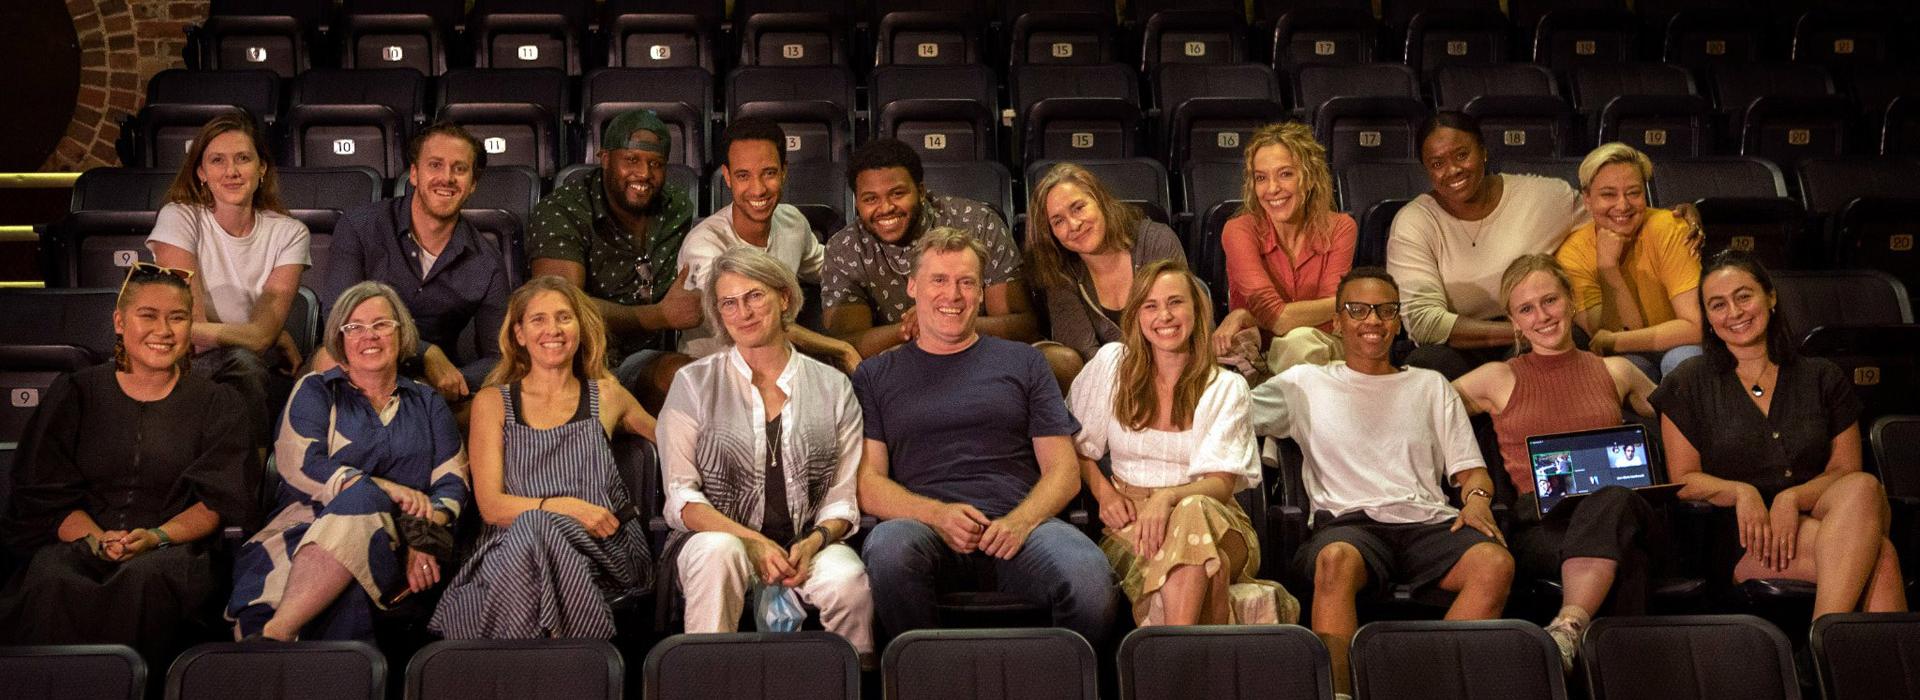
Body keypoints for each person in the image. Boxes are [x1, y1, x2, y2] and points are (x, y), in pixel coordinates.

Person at [1250, 267, 1513, 697]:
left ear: (1398, 320)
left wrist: (1479, 498)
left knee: (1495, 563)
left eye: (1385, 311)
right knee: (1334, 560)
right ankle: (1339, 693)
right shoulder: (1306, 383)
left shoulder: (1431, 386)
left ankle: (1431, 688)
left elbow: (1471, 472)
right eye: (1358, 310)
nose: (1372, 320)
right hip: (1349, 524)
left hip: (1428, 522)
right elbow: (1229, 411)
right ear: (1337, 322)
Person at [855, 227, 1117, 647]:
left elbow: (1064, 472)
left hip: (1021, 528)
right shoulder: (875, 375)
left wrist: (1020, 522)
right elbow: (869, 485)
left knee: (1088, 578)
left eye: (966, 282)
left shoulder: (1025, 362)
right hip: (925, 531)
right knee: (889, 549)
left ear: (980, 292)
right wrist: (938, 515)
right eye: (938, 280)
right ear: (912, 287)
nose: (952, 295)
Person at [0, 263, 255, 657]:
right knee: (51, 579)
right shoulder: (76, 393)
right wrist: (97, 540)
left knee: (145, 580)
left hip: (172, 550)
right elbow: (45, 496)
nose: (164, 331)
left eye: (178, 318)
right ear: (120, 322)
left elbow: (216, 502)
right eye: (148, 316)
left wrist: (156, 537)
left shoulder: (219, 403)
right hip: (81, 541)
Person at [1651, 251, 1907, 618]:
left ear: (1770, 297)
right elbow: (1684, 480)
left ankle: (1823, 646)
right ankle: (1830, 652)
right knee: (1879, 557)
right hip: (1744, 539)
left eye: (1744, 296)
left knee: (1864, 487)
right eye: (1718, 305)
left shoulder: (1821, 376)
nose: (1735, 313)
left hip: (1822, 518)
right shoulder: (1688, 381)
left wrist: (1791, 498)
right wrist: (1742, 491)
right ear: (1707, 318)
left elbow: (1845, 471)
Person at [657, 246, 872, 658]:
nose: (744, 312)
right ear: (719, 315)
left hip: (806, 542)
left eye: (755, 296)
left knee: (847, 578)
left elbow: (841, 500)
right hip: (717, 539)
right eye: (729, 304)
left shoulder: (832, 386)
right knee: (719, 552)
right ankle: (708, 680)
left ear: (784, 298)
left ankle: (854, 679)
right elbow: (681, 497)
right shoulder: (694, 383)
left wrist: (812, 544)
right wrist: (750, 540)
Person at [1449, 255, 1659, 670]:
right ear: (1514, 321)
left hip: (1618, 509)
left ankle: (1567, 630)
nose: (1542, 316)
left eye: (1550, 301)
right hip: (1543, 525)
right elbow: (1420, 410)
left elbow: (1689, 417)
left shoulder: (1617, 371)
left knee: (1613, 501)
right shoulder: (1497, 378)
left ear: (1571, 301)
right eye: (1527, 309)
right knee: (1626, 561)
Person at [229, 282, 471, 641]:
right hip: (301, 532)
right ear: (340, 339)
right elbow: (298, 463)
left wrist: (424, 537)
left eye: (381, 325)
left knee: (365, 502)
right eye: (354, 327)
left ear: (401, 332)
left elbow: (453, 482)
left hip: (397, 542)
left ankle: (276, 635)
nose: (368, 336)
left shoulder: (427, 402)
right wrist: (380, 487)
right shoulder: (316, 390)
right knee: (362, 503)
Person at [1068, 259, 1295, 627]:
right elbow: (1073, 444)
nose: (1165, 316)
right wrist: (1104, 493)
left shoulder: (1225, 386)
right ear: (1137, 315)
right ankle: (1195, 663)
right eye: (1151, 306)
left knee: (1192, 511)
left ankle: (1170, 654)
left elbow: (1221, 484)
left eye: (1175, 302)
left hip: (1219, 521)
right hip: (1133, 525)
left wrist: (1167, 497)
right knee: (1211, 570)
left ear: (1196, 310)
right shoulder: (1112, 366)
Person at [430, 277, 659, 639]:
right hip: (513, 545)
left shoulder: (608, 394)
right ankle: (583, 655)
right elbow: (491, 507)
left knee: (524, 541)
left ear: (580, 328)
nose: (552, 329)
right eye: (538, 320)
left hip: (602, 547)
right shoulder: (493, 403)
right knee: (532, 532)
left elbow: (674, 440)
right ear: (519, 334)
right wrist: (566, 507)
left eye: (564, 318)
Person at [822, 139, 1081, 389]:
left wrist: (947, 326)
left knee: (1063, 363)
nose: (886, 207)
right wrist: (918, 328)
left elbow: (1022, 326)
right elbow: (845, 346)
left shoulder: (977, 223)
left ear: (921, 191)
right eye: (870, 199)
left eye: (897, 194)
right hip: (902, 362)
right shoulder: (844, 247)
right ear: (857, 202)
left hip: (984, 352)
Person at [146, 111, 312, 444]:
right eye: (217, 161)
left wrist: (268, 336)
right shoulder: (179, 217)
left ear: (261, 168)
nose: (232, 172)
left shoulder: (290, 232)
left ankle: (245, 478)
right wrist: (265, 334)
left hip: (242, 360)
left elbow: (260, 336)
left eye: (243, 159)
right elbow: (185, 328)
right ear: (201, 173)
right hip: (181, 357)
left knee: (243, 366)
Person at [312, 122, 510, 397]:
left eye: (460, 169)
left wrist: (450, 381)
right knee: (328, 359)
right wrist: (427, 352)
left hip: (428, 386)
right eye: (435, 165)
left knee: (488, 402)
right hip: (359, 357)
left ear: (473, 184)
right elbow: (339, 316)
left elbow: (499, 356)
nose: (448, 178)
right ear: (414, 174)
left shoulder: (486, 262)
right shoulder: (361, 225)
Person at [1386, 111, 1587, 379]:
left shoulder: (1544, 197)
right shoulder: (1415, 222)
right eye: (1437, 163)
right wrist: (1523, 328)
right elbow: (1425, 322)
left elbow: (1609, 218)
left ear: (1483, 151)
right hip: (1460, 343)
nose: (1453, 170)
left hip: (1533, 335)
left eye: (1461, 155)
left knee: (1556, 345)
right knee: (1425, 366)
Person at [527, 109, 701, 409]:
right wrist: (659, 316)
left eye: (655, 164)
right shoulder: (563, 210)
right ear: (605, 158)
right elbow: (560, 306)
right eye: (631, 160)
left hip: (648, 359)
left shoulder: (676, 207)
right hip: (578, 361)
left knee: (691, 379)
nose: (644, 174)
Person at [674, 118, 861, 371]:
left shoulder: (792, 222)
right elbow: (752, 318)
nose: (758, 189)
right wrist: (840, 348)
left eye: (769, 173)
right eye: (743, 176)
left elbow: (832, 268)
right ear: (727, 177)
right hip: (712, 371)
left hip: (778, 364)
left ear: (784, 171)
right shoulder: (704, 244)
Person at [1211, 122, 1358, 374]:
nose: (1272, 189)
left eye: (1285, 174)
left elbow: (1327, 325)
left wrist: (1247, 317)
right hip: (1256, 359)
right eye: (1261, 178)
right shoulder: (1239, 230)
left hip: (1323, 351)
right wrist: (1341, 303)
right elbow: (1279, 317)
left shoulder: (1341, 228)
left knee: (1300, 344)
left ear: (1309, 177)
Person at [1555, 143, 1704, 381]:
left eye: (1633, 193)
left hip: (1681, 345)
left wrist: (1614, 340)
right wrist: (1608, 269)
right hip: (1629, 354)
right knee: (1619, 370)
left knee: (1683, 362)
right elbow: (1615, 339)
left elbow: (1695, 327)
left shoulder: (1669, 227)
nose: (1623, 205)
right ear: (1587, 199)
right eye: (1608, 194)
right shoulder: (1573, 253)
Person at [1024, 162, 1185, 362]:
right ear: (1051, 234)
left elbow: (1183, 325)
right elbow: (1083, 354)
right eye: (1058, 221)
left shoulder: (1156, 242)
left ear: (1099, 200)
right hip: (1104, 381)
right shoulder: (1060, 273)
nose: (1073, 225)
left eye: (1078, 208)